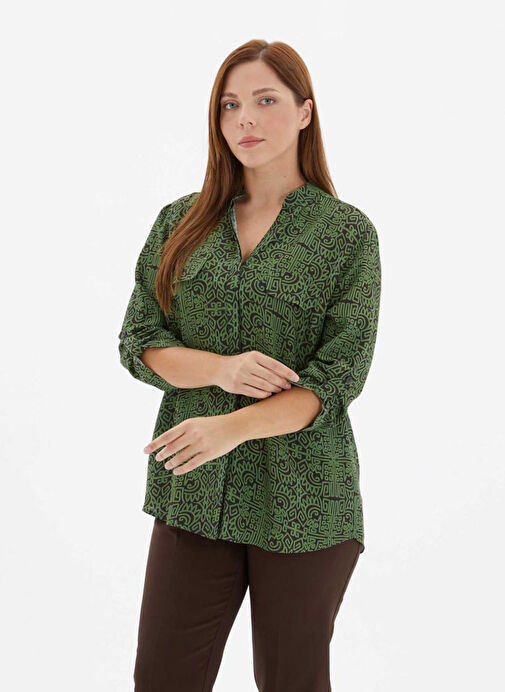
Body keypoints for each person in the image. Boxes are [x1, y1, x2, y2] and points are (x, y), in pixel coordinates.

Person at [118, 39, 381, 692]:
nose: (245, 120)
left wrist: (230, 428)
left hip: (305, 502)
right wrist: (221, 370)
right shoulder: (179, 222)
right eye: (230, 105)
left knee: (291, 681)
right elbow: (138, 341)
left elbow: (337, 380)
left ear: (304, 112)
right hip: (193, 494)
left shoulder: (345, 235)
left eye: (266, 100)